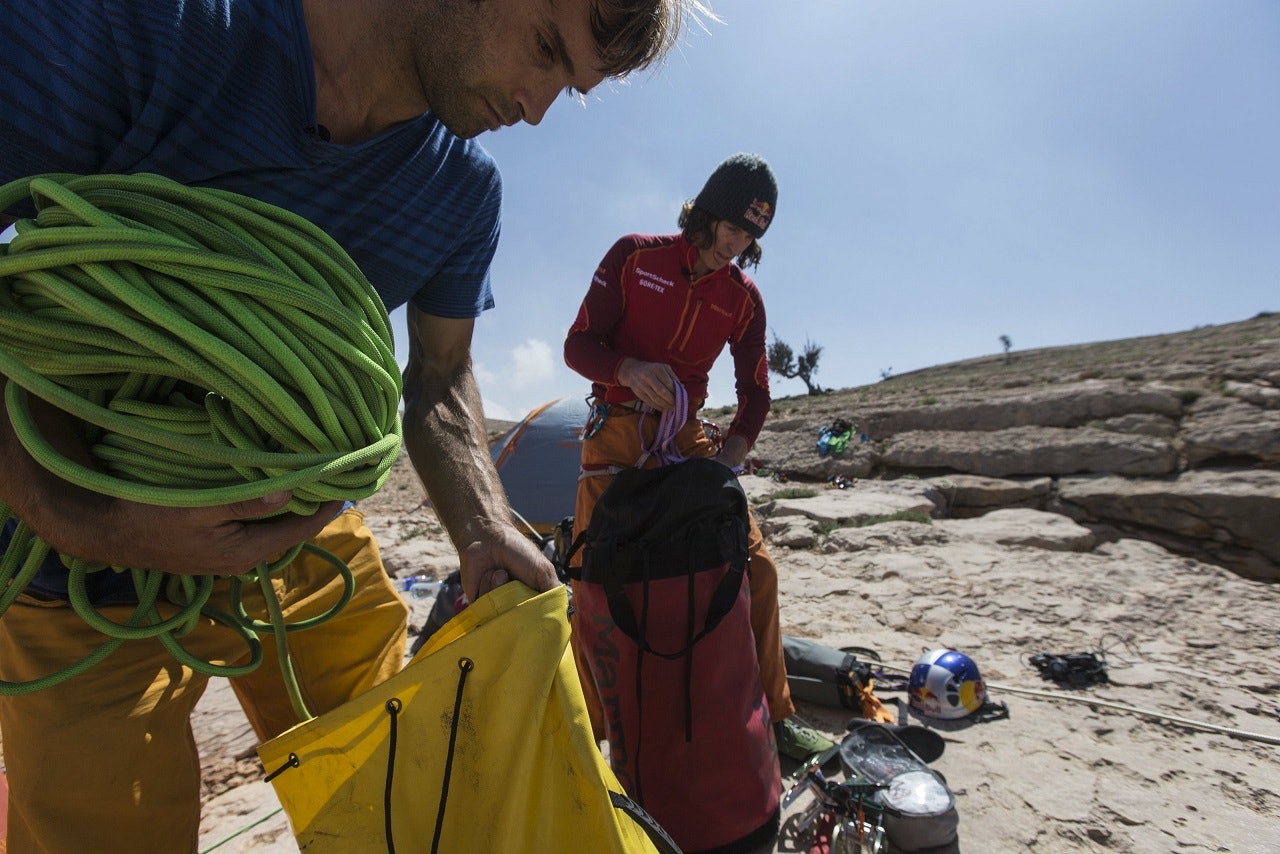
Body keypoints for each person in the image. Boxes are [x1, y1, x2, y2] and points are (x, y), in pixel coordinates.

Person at [0, 1, 700, 850]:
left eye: (571, 89)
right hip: (70, 556)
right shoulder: (139, 27)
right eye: (545, 49)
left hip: (302, 537)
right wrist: (85, 516)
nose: (537, 107)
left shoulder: (462, 196)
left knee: (410, 794)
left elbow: (438, 379)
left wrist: (481, 526)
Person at [563, 152, 830, 762]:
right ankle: (596, 728)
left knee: (757, 568)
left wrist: (727, 460)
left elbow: (756, 392)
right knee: (593, 579)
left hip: (688, 444)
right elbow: (578, 344)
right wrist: (625, 368)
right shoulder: (635, 255)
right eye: (731, 227)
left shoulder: (743, 299)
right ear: (706, 212)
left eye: (750, 236)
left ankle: (778, 715)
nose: (735, 245)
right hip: (615, 436)